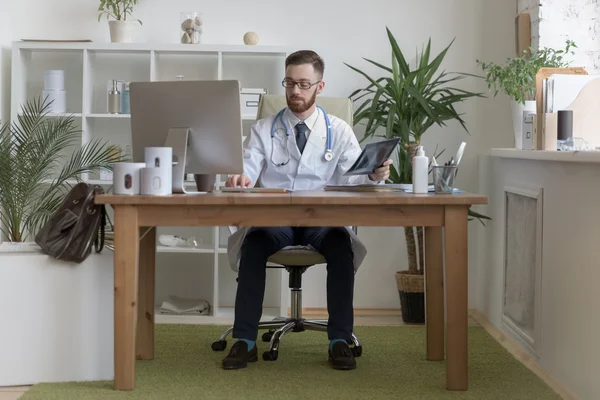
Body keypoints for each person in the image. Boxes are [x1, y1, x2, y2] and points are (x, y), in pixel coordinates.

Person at [222, 50, 392, 371]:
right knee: (254, 242)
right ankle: (244, 341)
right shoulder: (263, 129)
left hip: (322, 220)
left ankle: (339, 340)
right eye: (289, 83)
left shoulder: (338, 130)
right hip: (278, 220)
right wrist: (240, 175)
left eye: (303, 84)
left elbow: (356, 175)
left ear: (319, 86)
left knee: (341, 246)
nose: (295, 91)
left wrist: (374, 173)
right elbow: (247, 165)